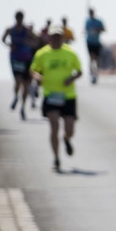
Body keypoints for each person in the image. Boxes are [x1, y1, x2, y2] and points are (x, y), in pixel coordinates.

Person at [30, 24, 82, 171]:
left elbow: (79, 71)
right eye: (53, 36)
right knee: (54, 126)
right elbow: (33, 70)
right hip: (50, 95)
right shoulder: (42, 54)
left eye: (59, 36)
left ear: (62, 37)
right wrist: (38, 76)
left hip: (68, 95)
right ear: (49, 37)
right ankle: (56, 159)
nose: (56, 39)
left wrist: (71, 79)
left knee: (70, 129)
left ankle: (66, 139)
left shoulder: (70, 53)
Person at [1, 11, 36, 119]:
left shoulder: (27, 30)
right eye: (18, 18)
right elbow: (3, 39)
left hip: (26, 58)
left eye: (21, 18)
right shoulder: (10, 29)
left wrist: (29, 43)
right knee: (18, 81)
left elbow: (36, 40)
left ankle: (23, 108)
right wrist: (9, 45)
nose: (19, 20)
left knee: (25, 84)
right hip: (15, 58)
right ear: (15, 18)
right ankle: (16, 96)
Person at [84, 8, 105, 83]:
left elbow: (104, 29)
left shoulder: (98, 21)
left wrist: (97, 30)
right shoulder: (87, 21)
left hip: (96, 42)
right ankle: (92, 73)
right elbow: (85, 29)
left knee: (97, 59)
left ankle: (97, 72)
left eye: (91, 12)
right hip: (89, 42)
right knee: (91, 57)